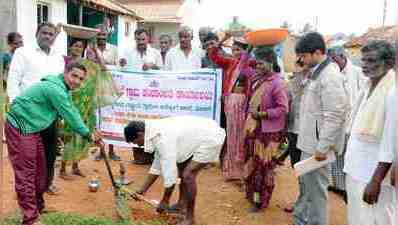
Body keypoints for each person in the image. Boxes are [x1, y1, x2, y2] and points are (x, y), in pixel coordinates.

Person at [5, 61, 103, 225]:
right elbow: (70, 114)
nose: (77, 81)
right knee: (27, 174)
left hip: (34, 127)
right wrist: (88, 134)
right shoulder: (55, 89)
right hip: (21, 126)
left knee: (41, 171)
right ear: (65, 73)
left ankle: (37, 206)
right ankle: (30, 219)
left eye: (81, 79)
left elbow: (71, 110)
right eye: (74, 76)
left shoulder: (62, 88)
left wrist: (89, 130)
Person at [125, 116, 225, 225]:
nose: (138, 145)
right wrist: (142, 190)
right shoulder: (152, 132)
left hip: (210, 137)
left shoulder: (161, 138)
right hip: (197, 136)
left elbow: (170, 174)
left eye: (136, 142)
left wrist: (165, 200)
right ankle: (181, 205)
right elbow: (157, 166)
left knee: (188, 175)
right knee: (182, 167)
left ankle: (190, 218)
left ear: (140, 134)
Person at [293, 32, 349, 225]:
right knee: (307, 187)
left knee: (316, 192)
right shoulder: (317, 72)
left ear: (317, 52)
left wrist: (322, 148)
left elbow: (335, 115)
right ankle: (302, 220)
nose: (301, 60)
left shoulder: (330, 76)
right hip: (309, 143)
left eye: (304, 55)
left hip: (317, 147)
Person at [7, 22, 65, 195]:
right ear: (36, 33)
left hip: (50, 114)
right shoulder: (23, 52)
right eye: (44, 33)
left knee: (50, 153)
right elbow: (13, 79)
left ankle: (46, 185)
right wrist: (15, 104)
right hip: (28, 114)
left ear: (55, 37)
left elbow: (61, 85)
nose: (47, 36)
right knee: (29, 157)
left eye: (51, 34)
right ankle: (30, 192)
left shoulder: (58, 57)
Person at [344, 40, 397, 225]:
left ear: (389, 62)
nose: (365, 65)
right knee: (357, 218)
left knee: (378, 219)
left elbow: (391, 142)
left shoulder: (392, 92)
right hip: (355, 168)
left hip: (374, 175)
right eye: (364, 60)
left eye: (372, 60)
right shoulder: (366, 86)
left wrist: (375, 181)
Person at [243, 47, 289, 212]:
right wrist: (249, 49)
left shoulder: (278, 83)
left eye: (261, 63)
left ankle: (261, 202)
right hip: (254, 131)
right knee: (253, 164)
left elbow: (283, 109)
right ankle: (252, 196)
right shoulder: (258, 79)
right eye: (257, 63)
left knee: (264, 168)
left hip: (268, 134)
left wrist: (262, 114)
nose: (258, 66)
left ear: (271, 62)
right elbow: (244, 65)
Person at [207, 32, 254, 182]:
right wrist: (223, 39)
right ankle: (232, 171)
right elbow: (213, 55)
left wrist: (251, 43)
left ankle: (242, 171)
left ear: (246, 51)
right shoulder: (231, 63)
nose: (236, 53)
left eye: (239, 50)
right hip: (230, 103)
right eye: (234, 50)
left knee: (242, 137)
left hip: (244, 104)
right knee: (232, 136)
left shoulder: (250, 64)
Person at [327, 45, 367, 201]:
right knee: (337, 156)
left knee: (350, 157)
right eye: (331, 60)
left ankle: (350, 189)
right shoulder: (333, 73)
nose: (333, 62)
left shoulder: (357, 73)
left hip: (354, 124)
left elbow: (364, 99)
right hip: (338, 123)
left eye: (334, 59)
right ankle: (340, 187)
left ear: (342, 57)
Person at [59, 41, 101, 179]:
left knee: (81, 139)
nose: (78, 49)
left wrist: (96, 53)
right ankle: (63, 170)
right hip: (71, 105)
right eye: (75, 46)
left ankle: (76, 166)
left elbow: (103, 71)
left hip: (86, 106)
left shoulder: (88, 66)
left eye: (80, 47)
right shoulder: (66, 61)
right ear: (70, 46)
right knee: (70, 138)